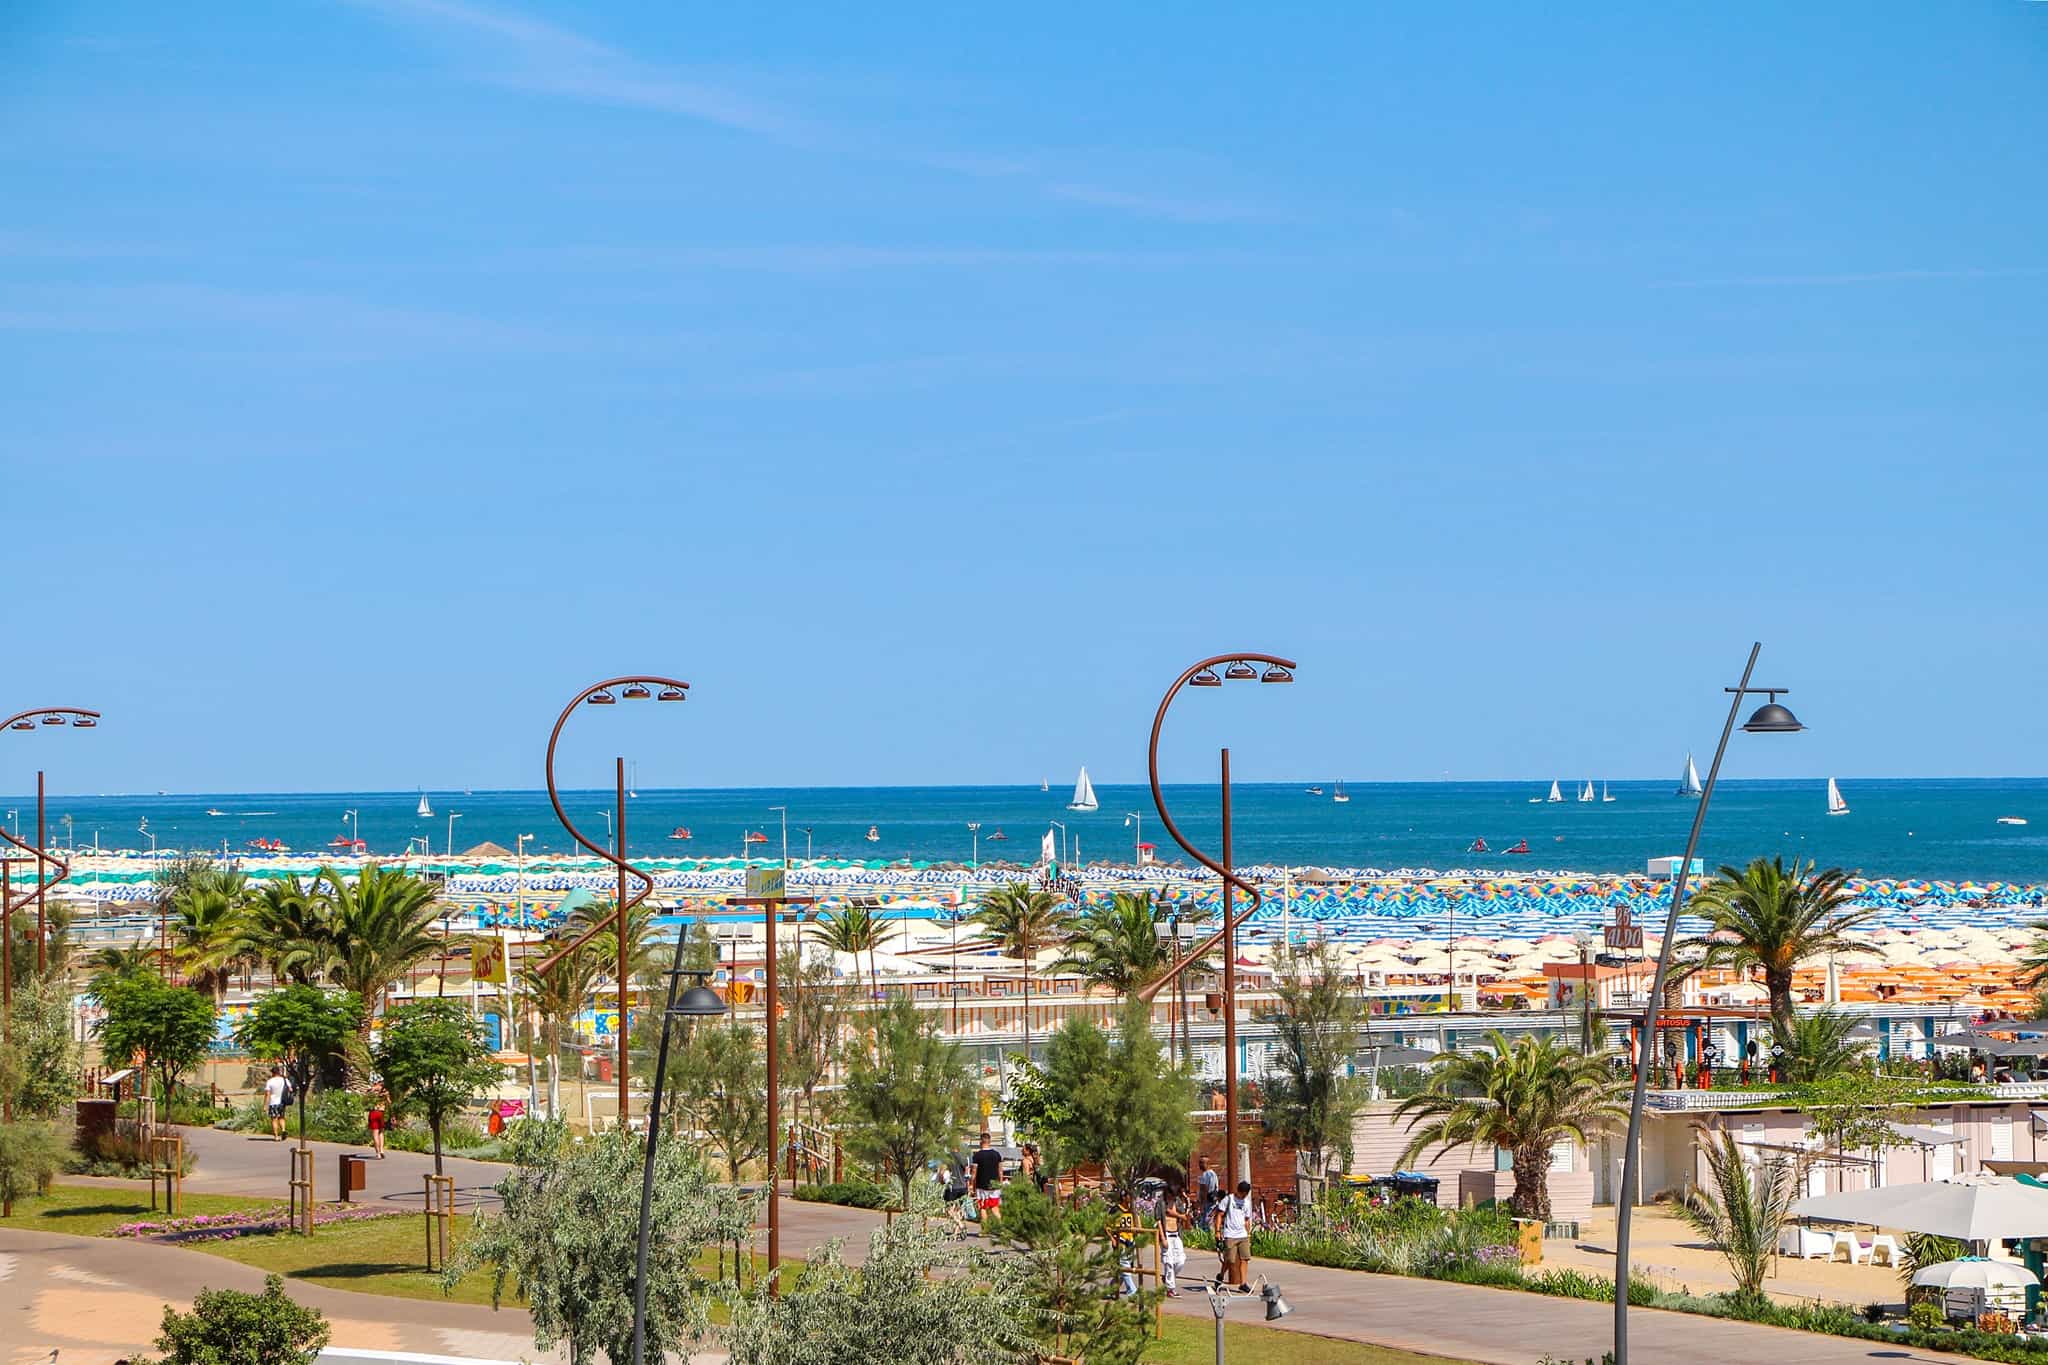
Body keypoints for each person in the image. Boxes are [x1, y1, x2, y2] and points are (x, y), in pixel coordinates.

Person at [1213, 1179, 1254, 1294]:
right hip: (1230, 1234)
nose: (1244, 1196)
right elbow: (1219, 1215)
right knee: (1230, 1260)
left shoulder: (1246, 1202)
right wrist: (1217, 1231)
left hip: (1242, 1234)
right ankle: (1221, 1276)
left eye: (1246, 1194)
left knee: (1245, 1258)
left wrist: (1248, 1234)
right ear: (1238, 1191)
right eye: (1242, 1194)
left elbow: (1246, 1219)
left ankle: (1243, 1283)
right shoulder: (1229, 1199)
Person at [1159, 1190, 1188, 1297]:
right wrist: (1163, 1238)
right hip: (1166, 1234)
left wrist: (1175, 1214)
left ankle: (1167, 1279)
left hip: (1176, 1234)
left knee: (1181, 1260)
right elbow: (1158, 1221)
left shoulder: (1178, 1202)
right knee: (1169, 1262)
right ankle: (1170, 1289)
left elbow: (1185, 1217)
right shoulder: (1161, 1203)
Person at [971, 1130, 1004, 1221]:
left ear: (981, 1142)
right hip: (995, 1185)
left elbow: (974, 1172)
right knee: (994, 1207)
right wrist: (1000, 1182)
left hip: (981, 1185)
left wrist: (972, 1185)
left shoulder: (977, 1155)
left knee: (983, 1207)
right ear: (990, 1141)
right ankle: (1001, 1226)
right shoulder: (997, 1154)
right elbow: (1000, 1170)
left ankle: (985, 1227)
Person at [263, 1066, 290, 1141]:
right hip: (282, 1102)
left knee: (274, 1119)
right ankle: (283, 1130)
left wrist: (265, 1105)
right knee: (281, 1117)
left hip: (273, 1102)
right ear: (279, 1072)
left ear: (272, 1073)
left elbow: (267, 1094)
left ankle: (276, 1136)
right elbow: (290, 1089)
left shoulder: (270, 1081)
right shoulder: (284, 1080)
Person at [1195, 1155, 1220, 1225]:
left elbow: (1204, 1190)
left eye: (1201, 1163)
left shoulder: (1206, 1175)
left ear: (1207, 1163)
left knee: (1205, 1224)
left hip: (1207, 1204)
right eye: (1199, 1162)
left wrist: (1202, 1205)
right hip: (1212, 1203)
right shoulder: (1213, 1174)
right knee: (1209, 1222)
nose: (1199, 1165)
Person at [367, 1085, 387, 1158]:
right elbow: (389, 1102)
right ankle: (381, 1150)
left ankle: (378, 1153)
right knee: (381, 1132)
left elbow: (365, 1101)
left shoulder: (371, 1092)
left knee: (375, 1134)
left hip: (373, 1112)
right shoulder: (385, 1092)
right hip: (381, 1112)